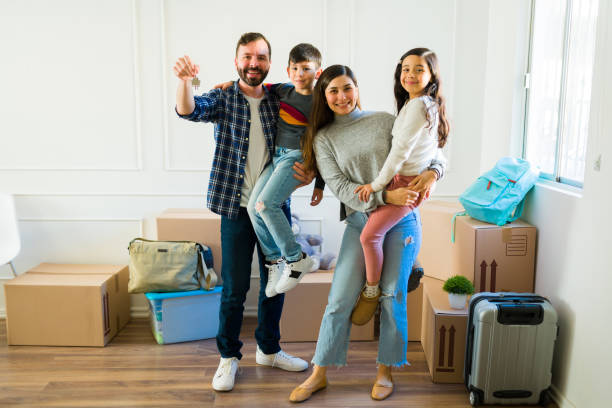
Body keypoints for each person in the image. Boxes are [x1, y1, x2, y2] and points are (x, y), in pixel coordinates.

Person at [289, 65, 444, 402]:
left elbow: (430, 149)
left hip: (402, 223)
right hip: (361, 222)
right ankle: (319, 373)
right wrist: (385, 196)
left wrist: (434, 171)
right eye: (333, 91)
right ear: (324, 97)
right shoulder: (323, 138)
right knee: (339, 299)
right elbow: (342, 188)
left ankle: (386, 371)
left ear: (357, 88)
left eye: (347, 88)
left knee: (393, 296)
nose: (342, 97)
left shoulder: (386, 121)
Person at [173, 32, 312, 393]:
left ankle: (268, 350)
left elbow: (316, 93)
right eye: (247, 57)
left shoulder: (280, 95)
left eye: (261, 57)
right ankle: (228, 358)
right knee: (234, 289)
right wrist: (185, 82)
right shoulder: (223, 96)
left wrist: (313, 169)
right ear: (236, 61)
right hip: (234, 208)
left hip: (272, 209)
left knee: (274, 285)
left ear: (270, 62)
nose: (254, 63)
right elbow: (189, 110)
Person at [350, 48, 450, 325]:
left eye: (419, 69)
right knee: (378, 231)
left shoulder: (420, 106)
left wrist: (376, 185)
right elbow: (432, 150)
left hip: (405, 183)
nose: (411, 74)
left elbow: (401, 152)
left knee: (369, 237)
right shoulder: (416, 104)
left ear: (431, 75)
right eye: (406, 68)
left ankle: (372, 291)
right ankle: (409, 264)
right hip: (402, 180)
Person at [246, 43, 325, 297]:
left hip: (297, 157)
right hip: (277, 157)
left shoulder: (321, 103)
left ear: (318, 73)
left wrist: (319, 184)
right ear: (288, 70)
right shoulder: (284, 90)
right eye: (295, 68)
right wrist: (227, 84)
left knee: (266, 205)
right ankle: (275, 261)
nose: (300, 74)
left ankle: (295, 257)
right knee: (253, 207)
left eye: (307, 69)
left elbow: (326, 143)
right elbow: (256, 86)